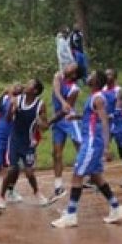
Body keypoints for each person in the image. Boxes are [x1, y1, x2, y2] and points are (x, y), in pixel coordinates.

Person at [51, 70, 122, 228]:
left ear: (96, 81)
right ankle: (116, 208)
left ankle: (71, 215)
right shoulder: (94, 97)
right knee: (97, 177)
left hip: (92, 143)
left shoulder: (98, 98)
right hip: (91, 141)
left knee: (77, 174)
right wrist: (76, 117)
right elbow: (91, 117)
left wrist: (106, 147)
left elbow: (104, 121)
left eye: (91, 75)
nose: (88, 76)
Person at [0, 79, 54, 207]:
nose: (26, 84)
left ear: (34, 90)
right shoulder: (18, 100)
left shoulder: (40, 105)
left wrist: (41, 123)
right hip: (15, 140)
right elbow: (7, 119)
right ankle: (1, 195)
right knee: (12, 169)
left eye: (29, 84)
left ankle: (37, 192)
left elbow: (45, 127)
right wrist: (11, 110)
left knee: (29, 172)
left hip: (28, 143)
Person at [49, 63, 83, 200]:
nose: (67, 66)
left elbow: (66, 110)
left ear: (74, 74)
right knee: (56, 154)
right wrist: (63, 102)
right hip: (58, 119)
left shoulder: (75, 89)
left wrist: (49, 122)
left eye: (71, 66)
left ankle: (92, 176)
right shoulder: (58, 76)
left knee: (81, 149)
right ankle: (58, 186)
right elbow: (56, 90)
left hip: (68, 119)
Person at [103, 68, 122, 187]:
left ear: (114, 77)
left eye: (109, 74)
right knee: (102, 148)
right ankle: (95, 177)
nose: (107, 76)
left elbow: (118, 107)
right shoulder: (103, 90)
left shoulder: (118, 90)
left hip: (119, 122)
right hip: (108, 122)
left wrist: (109, 115)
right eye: (106, 74)